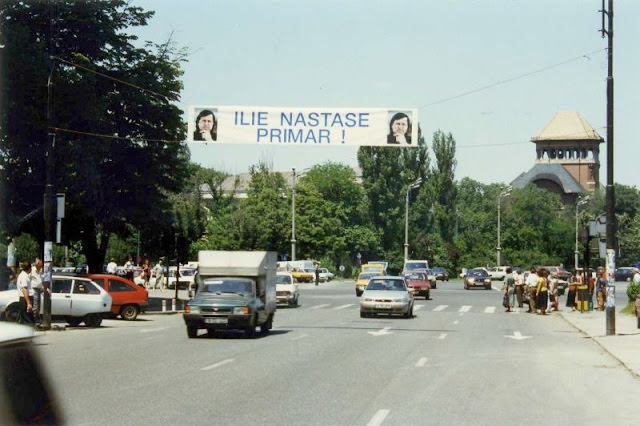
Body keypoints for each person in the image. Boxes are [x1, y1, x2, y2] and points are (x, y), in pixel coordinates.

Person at [29, 258, 44, 324]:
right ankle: (35, 319)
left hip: (40, 289)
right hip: (34, 289)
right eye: (40, 263)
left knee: (38, 305)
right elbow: (28, 278)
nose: (42, 265)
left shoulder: (41, 270)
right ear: (37, 264)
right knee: (35, 305)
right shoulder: (32, 270)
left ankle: (37, 318)